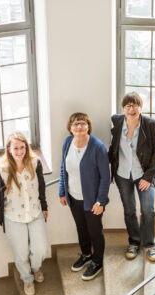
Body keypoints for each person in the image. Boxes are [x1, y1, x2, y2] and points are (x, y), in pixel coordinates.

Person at [0, 132, 48, 295]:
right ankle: (27, 279)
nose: (19, 151)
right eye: (15, 148)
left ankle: (35, 268)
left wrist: (45, 206)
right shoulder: (1, 171)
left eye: (22, 147)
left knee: (40, 249)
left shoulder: (35, 163)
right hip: (13, 217)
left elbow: (41, 187)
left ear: (27, 147)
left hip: (35, 212)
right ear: (9, 150)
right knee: (21, 252)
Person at [108, 92, 155, 262]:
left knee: (148, 210)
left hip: (144, 174)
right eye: (128, 105)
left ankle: (149, 245)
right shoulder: (116, 120)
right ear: (123, 107)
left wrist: (148, 177)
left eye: (135, 105)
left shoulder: (150, 124)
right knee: (129, 210)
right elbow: (113, 147)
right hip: (123, 174)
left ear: (141, 107)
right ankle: (134, 242)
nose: (131, 109)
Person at [59, 112, 110, 280]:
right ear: (70, 128)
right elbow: (63, 168)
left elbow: (105, 177)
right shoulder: (67, 143)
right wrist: (62, 191)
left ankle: (97, 261)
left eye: (82, 123)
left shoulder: (97, 147)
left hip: (93, 200)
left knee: (95, 231)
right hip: (73, 197)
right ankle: (86, 254)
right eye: (75, 124)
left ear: (88, 126)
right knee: (81, 228)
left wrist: (100, 201)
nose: (79, 126)